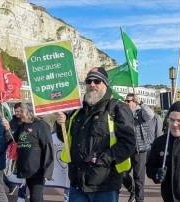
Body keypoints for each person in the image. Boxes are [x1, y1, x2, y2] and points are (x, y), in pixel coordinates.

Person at [55, 67, 136, 202]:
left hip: (104, 184)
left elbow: (128, 143)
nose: (92, 84)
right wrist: (60, 124)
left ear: (105, 84)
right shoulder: (77, 111)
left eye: (97, 81)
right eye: (89, 81)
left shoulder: (117, 108)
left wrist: (103, 159)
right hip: (77, 183)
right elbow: (64, 138)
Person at [13, 103, 54, 202]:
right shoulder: (22, 126)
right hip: (26, 169)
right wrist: (6, 129)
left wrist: (47, 170)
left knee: (35, 198)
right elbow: (13, 140)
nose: (19, 114)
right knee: (36, 197)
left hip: (38, 170)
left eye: (22, 111)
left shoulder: (41, 125)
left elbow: (48, 147)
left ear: (30, 112)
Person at [123, 93, 154, 202]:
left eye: (128, 101)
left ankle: (139, 199)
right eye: (125, 101)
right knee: (122, 172)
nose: (126, 103)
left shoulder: (141, 112)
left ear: (134, 102)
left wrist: (141, 103)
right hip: (126, 149)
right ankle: (132, 191)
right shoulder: (123, 113)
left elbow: (151, 115)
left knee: (139, 177)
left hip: (140, 149)